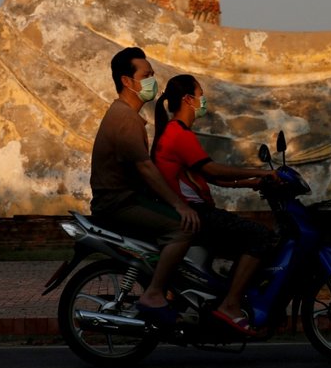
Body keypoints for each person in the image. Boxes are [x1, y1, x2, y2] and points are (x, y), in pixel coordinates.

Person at [151, 74, 278, 336]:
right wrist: (263, 173)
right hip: (195, 214)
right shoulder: (178, 133)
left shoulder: (176, 132)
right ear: (188, 99)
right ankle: (230, 305)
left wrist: (252, 182)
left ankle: (226, 294)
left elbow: (209, 177)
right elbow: (211, 167)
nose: (203, 99)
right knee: (260, 236)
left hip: (195, 210)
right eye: (200, 94)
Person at [89, 47, 201, 324]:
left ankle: (172, 292)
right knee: (181, 228)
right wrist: (178, 204)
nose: (153, 81)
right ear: (127, 81)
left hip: (126, 198)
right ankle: (153, 295)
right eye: (147, 75)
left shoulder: (128, 115)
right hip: (119, 203)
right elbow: (145, 168)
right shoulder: (125, 118)